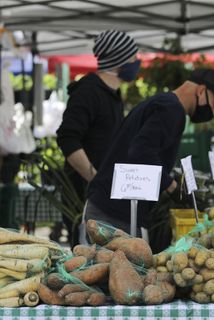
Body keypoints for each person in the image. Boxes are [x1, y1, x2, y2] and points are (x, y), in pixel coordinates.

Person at [84, 68, 214, 239]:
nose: (212, 113)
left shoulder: (162, 103)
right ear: (201, 91)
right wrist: (173, 187)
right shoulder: (171, 110)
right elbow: (141, 151)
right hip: (115, 214)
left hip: (108, 207)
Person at [56, 30, 140, 247]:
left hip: (104, 195)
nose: (136, 62)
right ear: (119, 60)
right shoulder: (88, 91)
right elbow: (67, 137)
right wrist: (94, 178)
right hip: (84, 197)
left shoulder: (113, 94)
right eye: (133, 57)